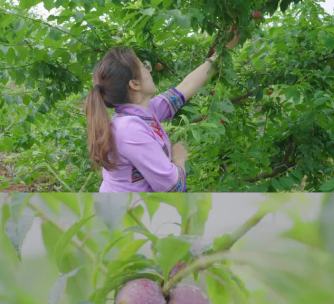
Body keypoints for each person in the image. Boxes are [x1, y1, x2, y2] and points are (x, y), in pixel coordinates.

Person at [85, 31, 240, 192]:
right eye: (144, 66)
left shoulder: (143, 112)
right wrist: (179, 158)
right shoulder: (129, 130)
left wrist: (221, 53)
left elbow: (185, 87)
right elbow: (174, 188)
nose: (149, 70)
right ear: (134, 84)